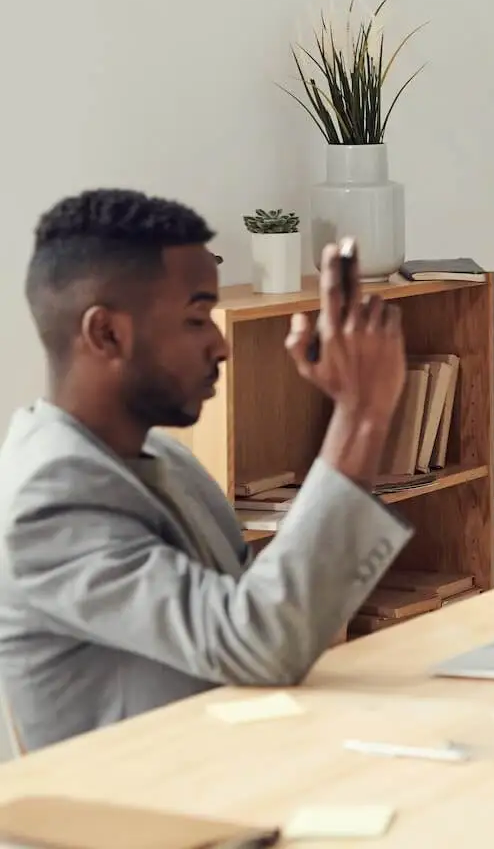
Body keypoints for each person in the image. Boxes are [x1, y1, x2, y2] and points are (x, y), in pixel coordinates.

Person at [0, 191, 414, 751]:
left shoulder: (167, 458)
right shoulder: (49, 499)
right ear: (106, 334)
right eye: (198, 319)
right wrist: (361, 415)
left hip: (240, 774)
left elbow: (264, 616)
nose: (221, 345)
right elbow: (258, 642)